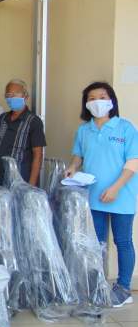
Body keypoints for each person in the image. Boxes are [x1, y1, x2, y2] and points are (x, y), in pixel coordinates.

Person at [65, 82, 138, 307]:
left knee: (122, 241)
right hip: (93, 195)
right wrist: (72, 168)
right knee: (95, 243)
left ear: (112, 101)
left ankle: (123, 288)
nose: (97, 101)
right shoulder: (83, 130)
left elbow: (133, 162)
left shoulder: (125, 128)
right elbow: (79, 156)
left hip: (121, 195)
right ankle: (98, 284)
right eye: (92, 98)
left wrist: (116, 188)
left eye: (102, 97)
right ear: (86, 104)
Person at [0, 79, 46, 185]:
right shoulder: (2, 118)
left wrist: (31, 185)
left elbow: (38, 156)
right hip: (2, 178)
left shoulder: (34, 121)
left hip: (23, 180)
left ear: (25, 96)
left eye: (16, 94)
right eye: (9, 95)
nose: (12, 98)